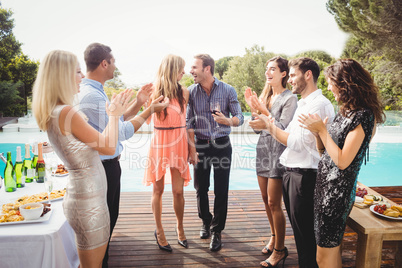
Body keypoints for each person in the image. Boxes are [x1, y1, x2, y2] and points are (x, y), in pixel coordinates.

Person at [32, 50, 132, 267]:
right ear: (62, 76)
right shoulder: (66, 112)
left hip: (86, 197)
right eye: (77, 71)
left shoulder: (55, 111)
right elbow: (107, 146)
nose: (82, 76)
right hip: (89, 202)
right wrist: (114, 115)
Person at [78, 43, 169, 267]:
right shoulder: (93, 98)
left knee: (109, 221)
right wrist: (150, 110)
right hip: (103, 168)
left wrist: (138, 102)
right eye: (114, 61)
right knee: (103, 228)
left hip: (108, 167)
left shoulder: (97, 92)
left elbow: (117, 123)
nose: (115, 66)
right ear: (104, 63)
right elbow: (123, 132)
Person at [298, 59, 385, 268]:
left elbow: (343, 161)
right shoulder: (345, 111)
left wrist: (322, 130)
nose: (328, 87)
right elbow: (325, 154)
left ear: (345, 83)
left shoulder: (364, 116)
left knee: (323, 257)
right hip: (324, 190)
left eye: (331, 82)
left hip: (336, 196)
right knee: (330, 252)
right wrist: (318, 134)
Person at [249, 57, 335, 268]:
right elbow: (288, 133)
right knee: (302, 239)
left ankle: (284, 252)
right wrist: (266, 121)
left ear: (308, 75)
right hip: (293, 172)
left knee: (306, 239)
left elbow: (295, 141)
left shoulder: (318, 105)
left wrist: (268, 123)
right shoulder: (305, 103)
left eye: (294, 75)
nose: (291, 80)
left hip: (304, 175)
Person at [186, 54, 244, 252]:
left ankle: (217, 230)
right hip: (200, 144)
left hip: (222, 144)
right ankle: (205, 221)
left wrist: (228, 121)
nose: (190, 71)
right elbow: (188, 122)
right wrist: (192, 149)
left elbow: (239, 117)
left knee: (221, 189)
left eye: (194, 67)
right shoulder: (191, 92)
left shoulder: (228, 90)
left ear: (207, 69)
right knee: (200, 187)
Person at [244, 56, 297, 267]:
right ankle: (274, 236)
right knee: (266, 200)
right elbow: (259, 128)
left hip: (279, 154)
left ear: (284, 74)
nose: (268, 72)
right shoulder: (266, 96)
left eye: (273, 69)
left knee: (275, 203)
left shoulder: (290, 99)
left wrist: (263, 112)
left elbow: (282, 127)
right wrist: (254, 113)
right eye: (267, 69)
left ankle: (280, 250)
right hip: (263, 151)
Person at [143, 54, 191, 252]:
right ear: (172, 69)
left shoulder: (184, 93)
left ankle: (179, 227)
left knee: (178, 191)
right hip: (160, 143)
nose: (184, 72)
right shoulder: (152, 92)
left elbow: (186, 122)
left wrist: (191, 147)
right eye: (181, 68)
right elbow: (146, 120)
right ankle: (159, 230)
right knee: (158, 190)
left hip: (179, 143)